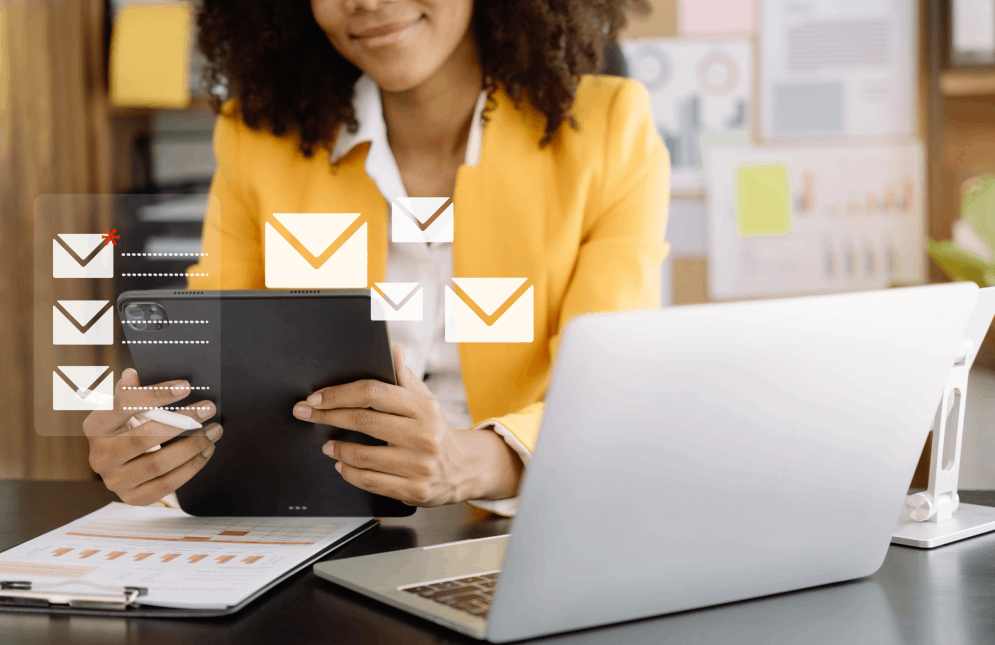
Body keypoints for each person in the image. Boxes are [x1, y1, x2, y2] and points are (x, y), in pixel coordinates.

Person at [84, 0, 670, 513]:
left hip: (529, 520)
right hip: (318, 517)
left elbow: (610, 388)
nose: (365, 2)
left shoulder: (608, 130)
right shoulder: (258, 137)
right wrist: (152, 445)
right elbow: (210, 369)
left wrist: (474, 461)